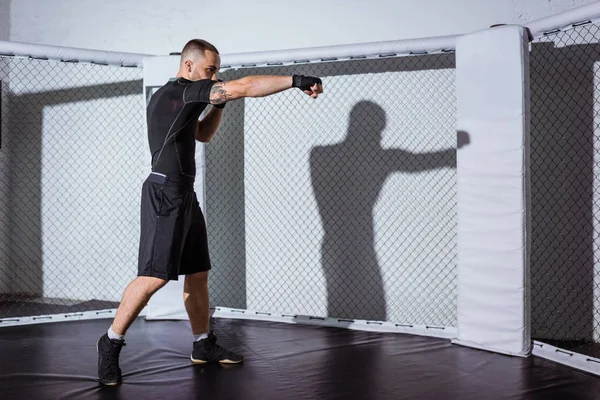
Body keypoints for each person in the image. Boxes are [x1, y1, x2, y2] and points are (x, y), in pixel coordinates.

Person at [97, 38, 324, 386]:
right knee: (154, 276)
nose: (215, 77)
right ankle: (110, 342)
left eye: (216, 71)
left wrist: (218, 106)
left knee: (198, 272)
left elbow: (202, 134)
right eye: (210, 69)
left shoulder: (183, 97)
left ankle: (203, 344)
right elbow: (245, 86)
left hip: (183, 194)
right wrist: (296, 80)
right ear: (189, 66)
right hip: (164, 193)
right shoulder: (181, 91)